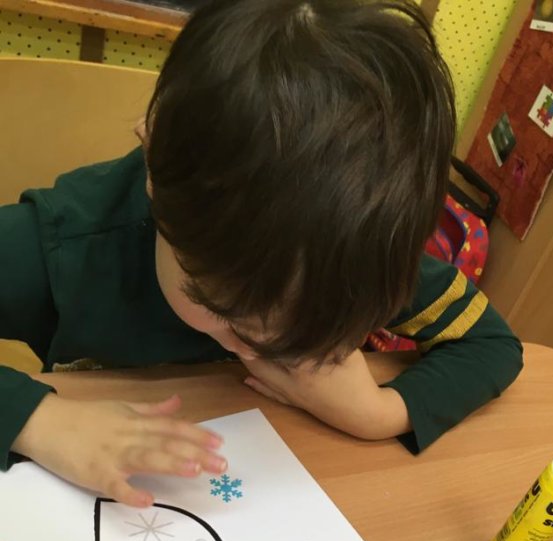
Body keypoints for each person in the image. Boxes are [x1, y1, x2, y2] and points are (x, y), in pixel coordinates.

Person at [0, 0, 522, 508]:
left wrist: (378, 413)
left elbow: (492, 345)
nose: (260, 347)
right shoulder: (60, 249)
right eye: (230, 313)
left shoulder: (354, 259)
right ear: (152, 154)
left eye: (307, 328)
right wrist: (37, 420)